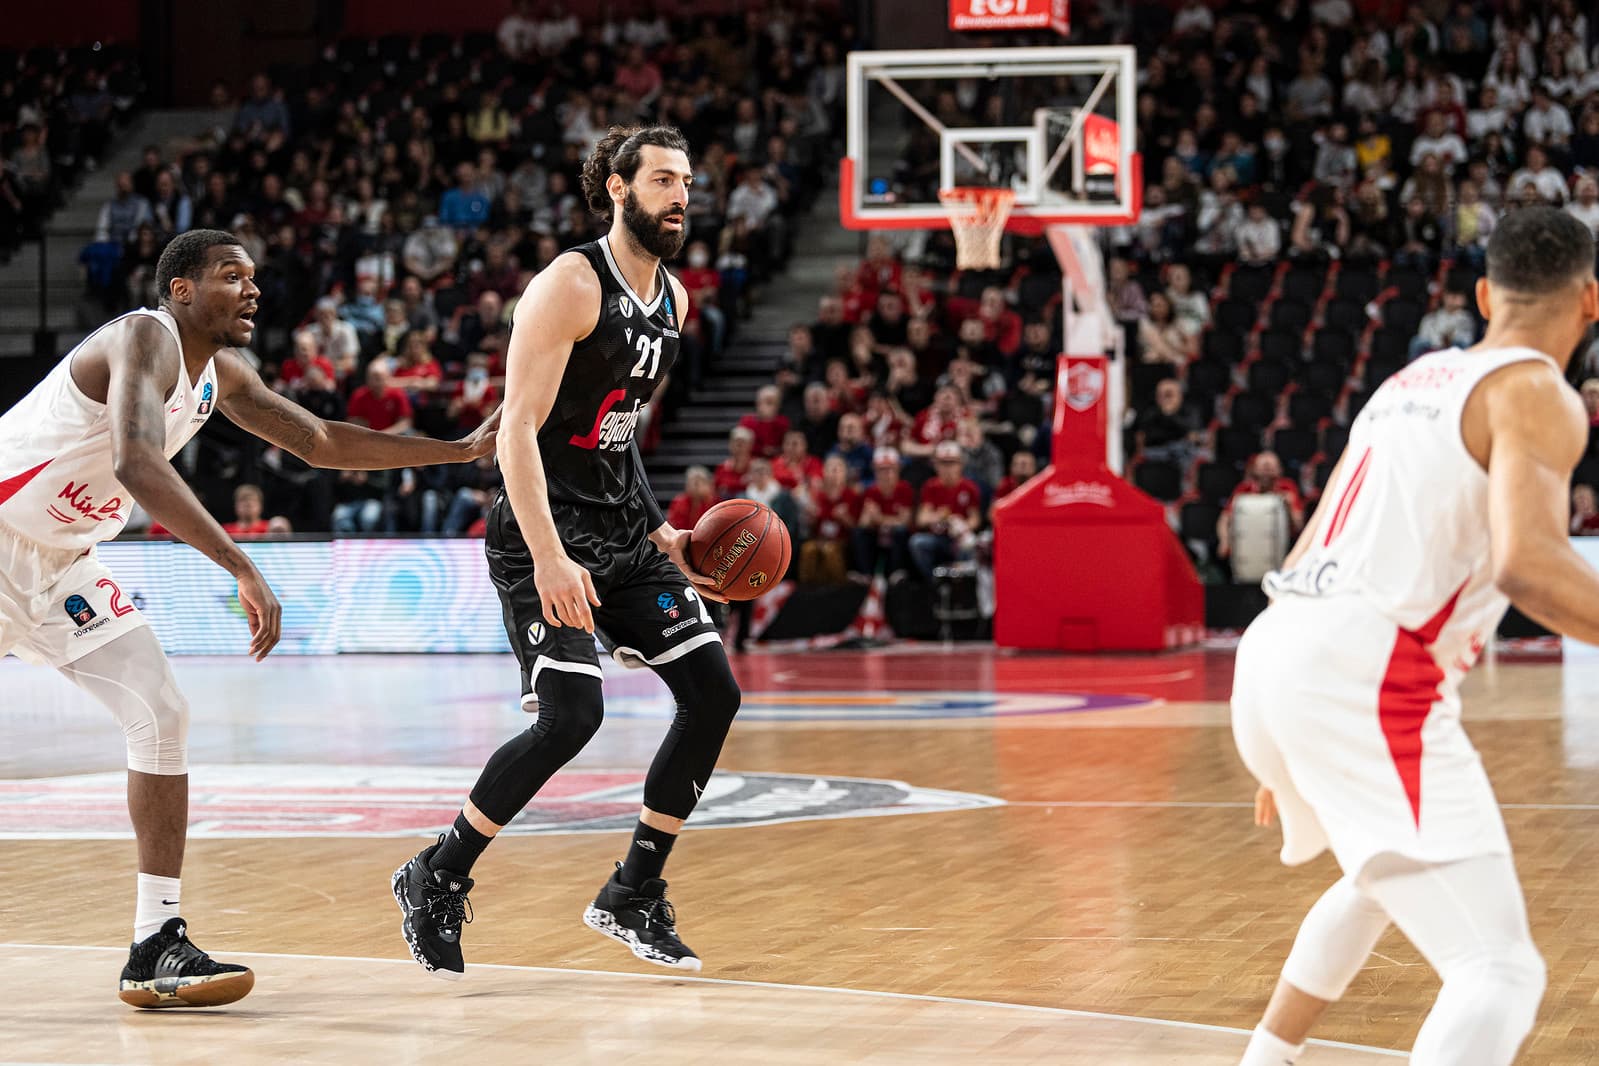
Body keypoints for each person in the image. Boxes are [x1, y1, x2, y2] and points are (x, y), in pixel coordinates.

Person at [0, 229, 498, 1007]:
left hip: (61, 561)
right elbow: (137, 460)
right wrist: (241, 564)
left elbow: (324, 441)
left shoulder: (222, 372)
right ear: (181, 290)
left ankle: (154, 941)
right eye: (232, 275)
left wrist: (459, 450)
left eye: (255, 276)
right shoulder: (144, 337)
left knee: (162, 711)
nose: (253, 289)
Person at [1231, 207, 1599, 1066]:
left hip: (1279, 647)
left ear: (1481, 294)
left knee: (1377, 878)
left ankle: (1264, 1059)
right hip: (1361, 679)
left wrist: (1286, 734)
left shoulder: (1410, 382)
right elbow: (1529, 567)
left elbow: (1313, 540)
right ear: (1590, 302)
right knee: (1499, 972)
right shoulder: (1537, 391)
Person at [392, 126, 739, 979]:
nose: (680, 196)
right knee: (572, 717)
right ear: (617, 189)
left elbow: (612, 436)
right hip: (542, 533)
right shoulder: (570, 285)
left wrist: (662, 531)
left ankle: (631, 892)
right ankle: (437, 873)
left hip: (623, 533)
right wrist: (548, 557)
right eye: (662, 179)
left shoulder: (676, 301)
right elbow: (515, 430)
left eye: (686, 181)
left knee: (713, 693)